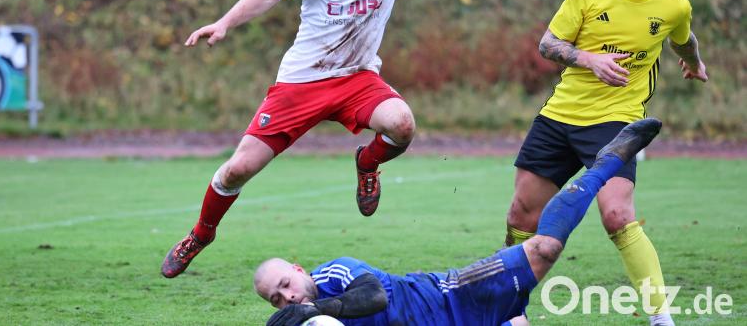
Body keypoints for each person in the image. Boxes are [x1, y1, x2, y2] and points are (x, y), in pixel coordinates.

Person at [161, 0, 558, 278]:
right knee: (237, 170)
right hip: (302, 83)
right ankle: (200, 234)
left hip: (358, 79)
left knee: (402, 125)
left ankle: (367, 163)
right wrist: (225, 22)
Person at [255, 118, 663, 326]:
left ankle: (607, 160)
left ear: (297, 269)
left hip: (453, 296)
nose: (287, 297)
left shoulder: (335, 274)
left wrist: (314, 309)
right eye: (277, 298)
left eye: (285, 285)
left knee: (545, 247)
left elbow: (375, 298)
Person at [503, 0, 707, 326]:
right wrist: (588, 60)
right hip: (561, 115)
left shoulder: (673, 4)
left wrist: (695, 64)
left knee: (617, 214)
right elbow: (548, 44)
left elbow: (683, 39)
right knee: (521, 215)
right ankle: (510, 311)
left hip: (617, 120)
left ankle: (660, 317)